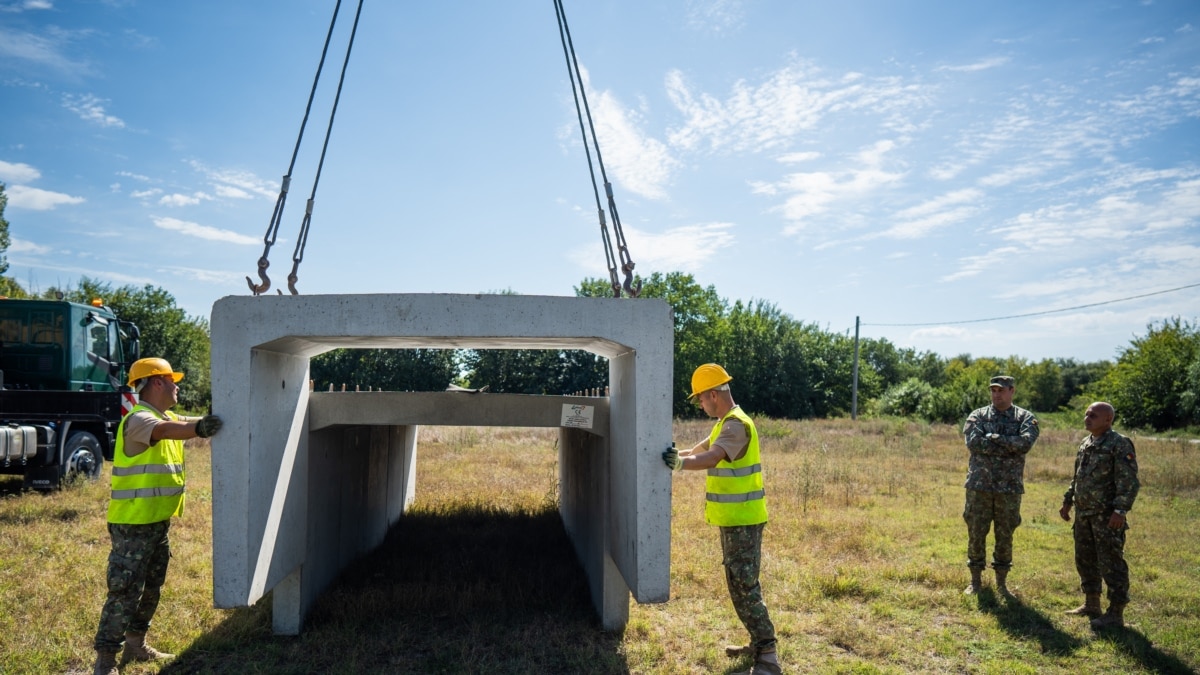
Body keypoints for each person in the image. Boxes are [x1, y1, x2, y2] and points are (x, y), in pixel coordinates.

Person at [91, 358, 223, 675]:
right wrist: (198, 428)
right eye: (172, 380)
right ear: (157, 382)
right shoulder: (139, 419)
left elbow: (186, 421)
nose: (178, 385)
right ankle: (106, 660)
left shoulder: (164, 416)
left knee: (151, 587)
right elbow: (167, 430)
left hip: (156, 522)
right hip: (132, 524)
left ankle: (136, 645)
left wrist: (212, 420)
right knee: (124, 591)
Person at [662, 364, 781, 675]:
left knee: (744, 585)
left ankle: (768, 655)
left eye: (700, 399)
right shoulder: (723, 424)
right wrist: (671, 454)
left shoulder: (735, 426)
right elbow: (696, 450)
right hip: (733, 519)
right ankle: (757, 643)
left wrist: (678, 466)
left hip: (744, 519)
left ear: (713, 394)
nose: (699, 404)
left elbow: (711, 457)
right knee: (738, 584)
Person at [1059, 401, 1140, 629]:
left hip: (1106, 517)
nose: (1087, 418)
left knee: (1111, 563)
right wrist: (1067, 501)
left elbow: (1129, 481)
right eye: (1086, 414)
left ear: (1108, 420)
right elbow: (1078, 477)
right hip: (1084, 514)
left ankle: (1115, 613)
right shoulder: (1086, 443)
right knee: (1085, 560)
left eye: (1093, 415)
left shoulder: (1119, 443)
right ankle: (1091, 603)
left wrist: (1120, 510)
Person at [960, 375, 1039, 595]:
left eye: (1001, 390)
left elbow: (1024, 444)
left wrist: (993, 438)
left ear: (1012, 391)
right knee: (976, 532)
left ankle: (1002, 584)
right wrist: (1007, 443)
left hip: (1009, 489)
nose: (997, 394)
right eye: (993, 390)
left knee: (1005, 535)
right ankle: (975, 581)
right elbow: (974, 443)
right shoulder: (978, 416)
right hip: (979, 486)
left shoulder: (1025, 418)